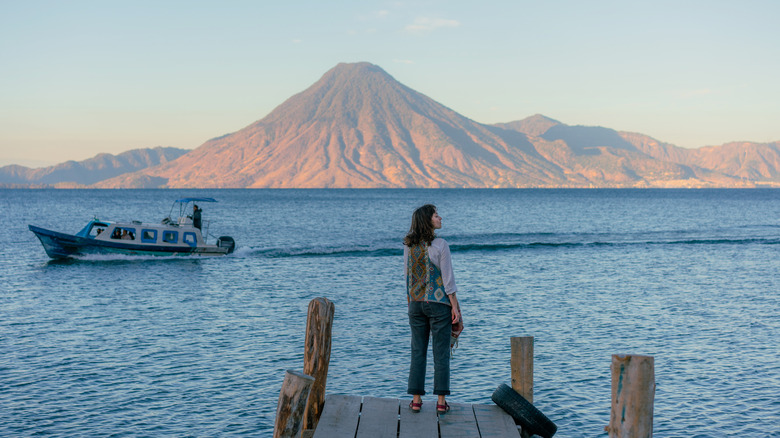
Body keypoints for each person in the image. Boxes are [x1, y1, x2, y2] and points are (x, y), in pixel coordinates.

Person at [404, 204, 460, 415]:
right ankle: (440, 402)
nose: (440, 218)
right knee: (441, 353)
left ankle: (416, 400)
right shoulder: (440, 245)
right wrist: (455, 306)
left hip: (415, 304)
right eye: (436, 216)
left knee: (418, 351)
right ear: (428, 220)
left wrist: (410, 303)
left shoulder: (408, 245)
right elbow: (448, 280)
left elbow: (407, 276)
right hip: (438, 305)